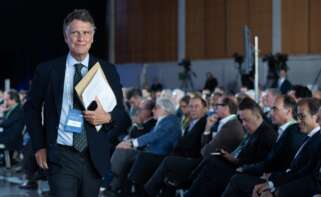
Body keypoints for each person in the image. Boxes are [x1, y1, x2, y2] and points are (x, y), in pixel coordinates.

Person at [24, 9, 130, 197]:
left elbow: (121, 114)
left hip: (93, 157)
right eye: (75, 32)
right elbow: (31, 109)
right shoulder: (48, 70)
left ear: (92, 37)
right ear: (66, 37)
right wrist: (39, 146)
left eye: (86, 33)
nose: (81, 38)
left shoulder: (107, 70)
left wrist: (107, 117)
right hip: (60, 156)